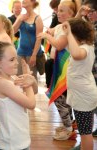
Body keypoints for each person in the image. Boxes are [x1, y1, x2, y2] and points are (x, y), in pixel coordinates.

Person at [0, 41, 37, 150]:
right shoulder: (1, 83)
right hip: (11, 143)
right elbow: (31, 103)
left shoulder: (12, 78)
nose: (16, 62)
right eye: (12, 60)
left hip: (20, 138)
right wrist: (27, 81)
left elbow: (33, 92)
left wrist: (31, 81)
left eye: (16, 58)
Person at [37, 0, 77, 140]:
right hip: (56, 66)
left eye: (61, 11)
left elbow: (59, 45)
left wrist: (46, 36)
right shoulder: (61, 26)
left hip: (64, 68)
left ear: (71, 14)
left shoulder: (69, 27)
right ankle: (69, 125)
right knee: (62, 97)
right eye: (58, 10)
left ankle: (68, 127)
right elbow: (52, 30)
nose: (57, 13)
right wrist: (48, 31)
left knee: (59, 97)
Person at [62, 18, 97, 150]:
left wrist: (69, 33)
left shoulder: (84, 49)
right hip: (84, 95)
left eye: (70, 36)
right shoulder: (86, 46)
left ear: (75, 36)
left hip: (84, 97)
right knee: (85, 132)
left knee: (85, 133)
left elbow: (76, 54)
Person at [13, 0, 44, 80]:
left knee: (31, 78)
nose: (23, 1)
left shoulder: (37, 18)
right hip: (20, 52)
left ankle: (32, 93)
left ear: (32, 2)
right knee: (19, 77)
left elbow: (39, 38)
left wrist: (34, 55)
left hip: (32, 54)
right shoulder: (21, 16)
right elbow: (12, 31)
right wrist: (19, 20)